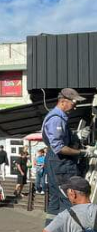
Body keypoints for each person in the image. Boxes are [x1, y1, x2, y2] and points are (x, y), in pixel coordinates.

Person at [41, 88, 95, 217]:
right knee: (70, 198)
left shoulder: (59, 118)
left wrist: (77, 135)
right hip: (60, 164)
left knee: (56, 202)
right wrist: (83, 153)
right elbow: (59, 148)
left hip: (57, 163)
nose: (75, 107)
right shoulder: (56, 119)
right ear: (63, 101)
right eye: (74, 103)